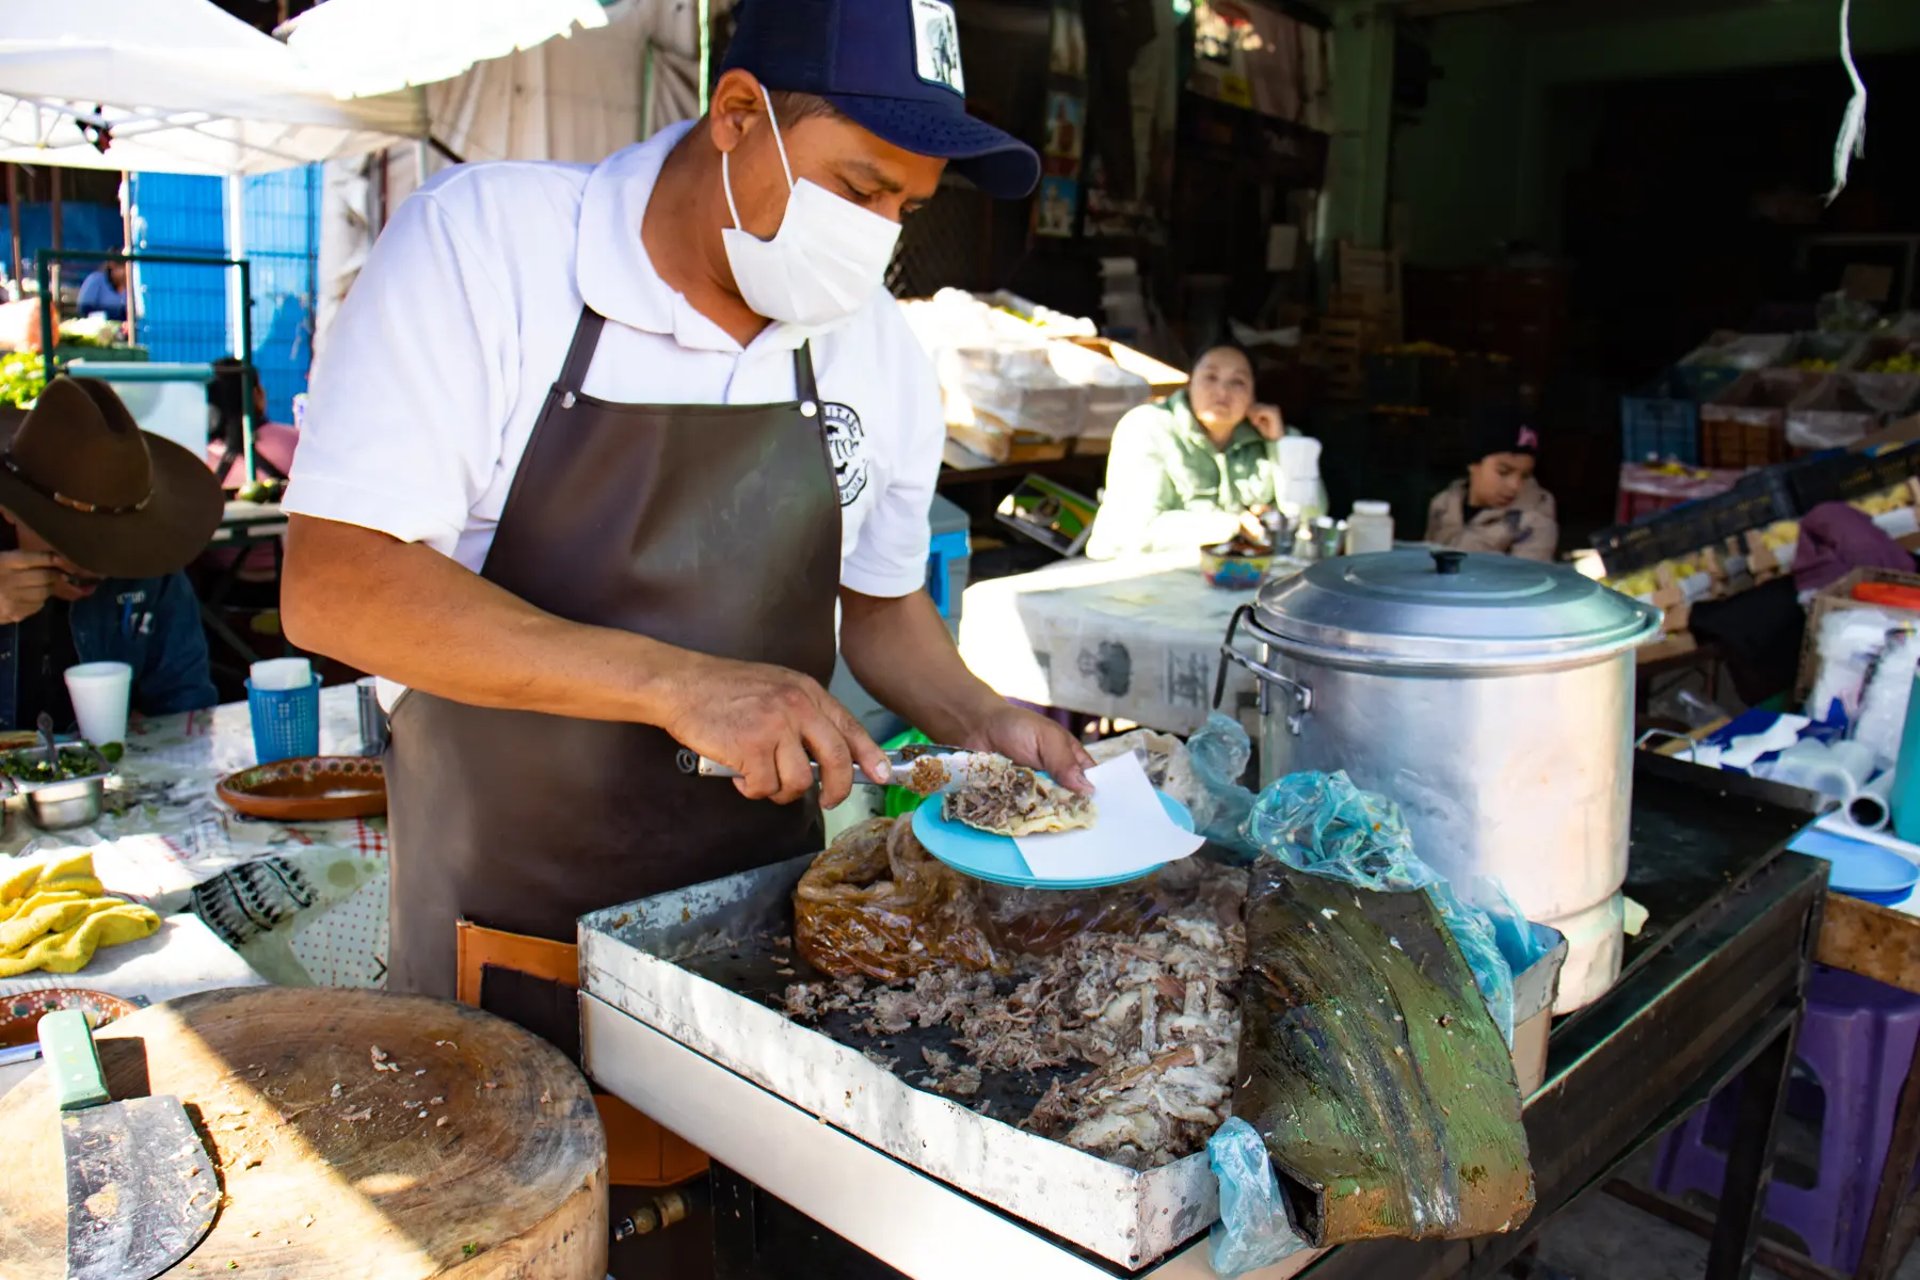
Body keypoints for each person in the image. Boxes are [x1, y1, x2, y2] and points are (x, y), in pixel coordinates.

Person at [277, 0, 1089, 1044]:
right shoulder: (487, 249)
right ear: (739, 114)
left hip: (766, 938)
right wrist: (677, 684)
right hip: (505, 938)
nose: (883, 233)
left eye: (909, 206)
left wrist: (979, 721)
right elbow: (338, 582)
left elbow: (881, 607)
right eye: (860, 188)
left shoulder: (873, 347)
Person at [0, 376, 221, 730]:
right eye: (67, 538)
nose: (92, 563)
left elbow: (186, 710)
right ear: (10, 509)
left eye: (111, 542)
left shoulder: (152, 568)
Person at [1086, 342, 1326, 559]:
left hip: (1241, 578)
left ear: (1253, 394)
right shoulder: (1147, 427)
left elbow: (1310, 521)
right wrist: (1233, 526)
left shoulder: (1276, 436)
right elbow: (1133, 531)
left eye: (1238, 382)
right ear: (1190, 383)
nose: (1222, 392)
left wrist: (1281, 446)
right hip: (1144, 582)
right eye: (1210, 377)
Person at [1426, 407, 1558, 562]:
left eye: (1525, 476)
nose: (1515, 486)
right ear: (1473, 464)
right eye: (1503, 472)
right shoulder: (1442, 506)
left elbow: (1527, 581)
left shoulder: (1535, 520)